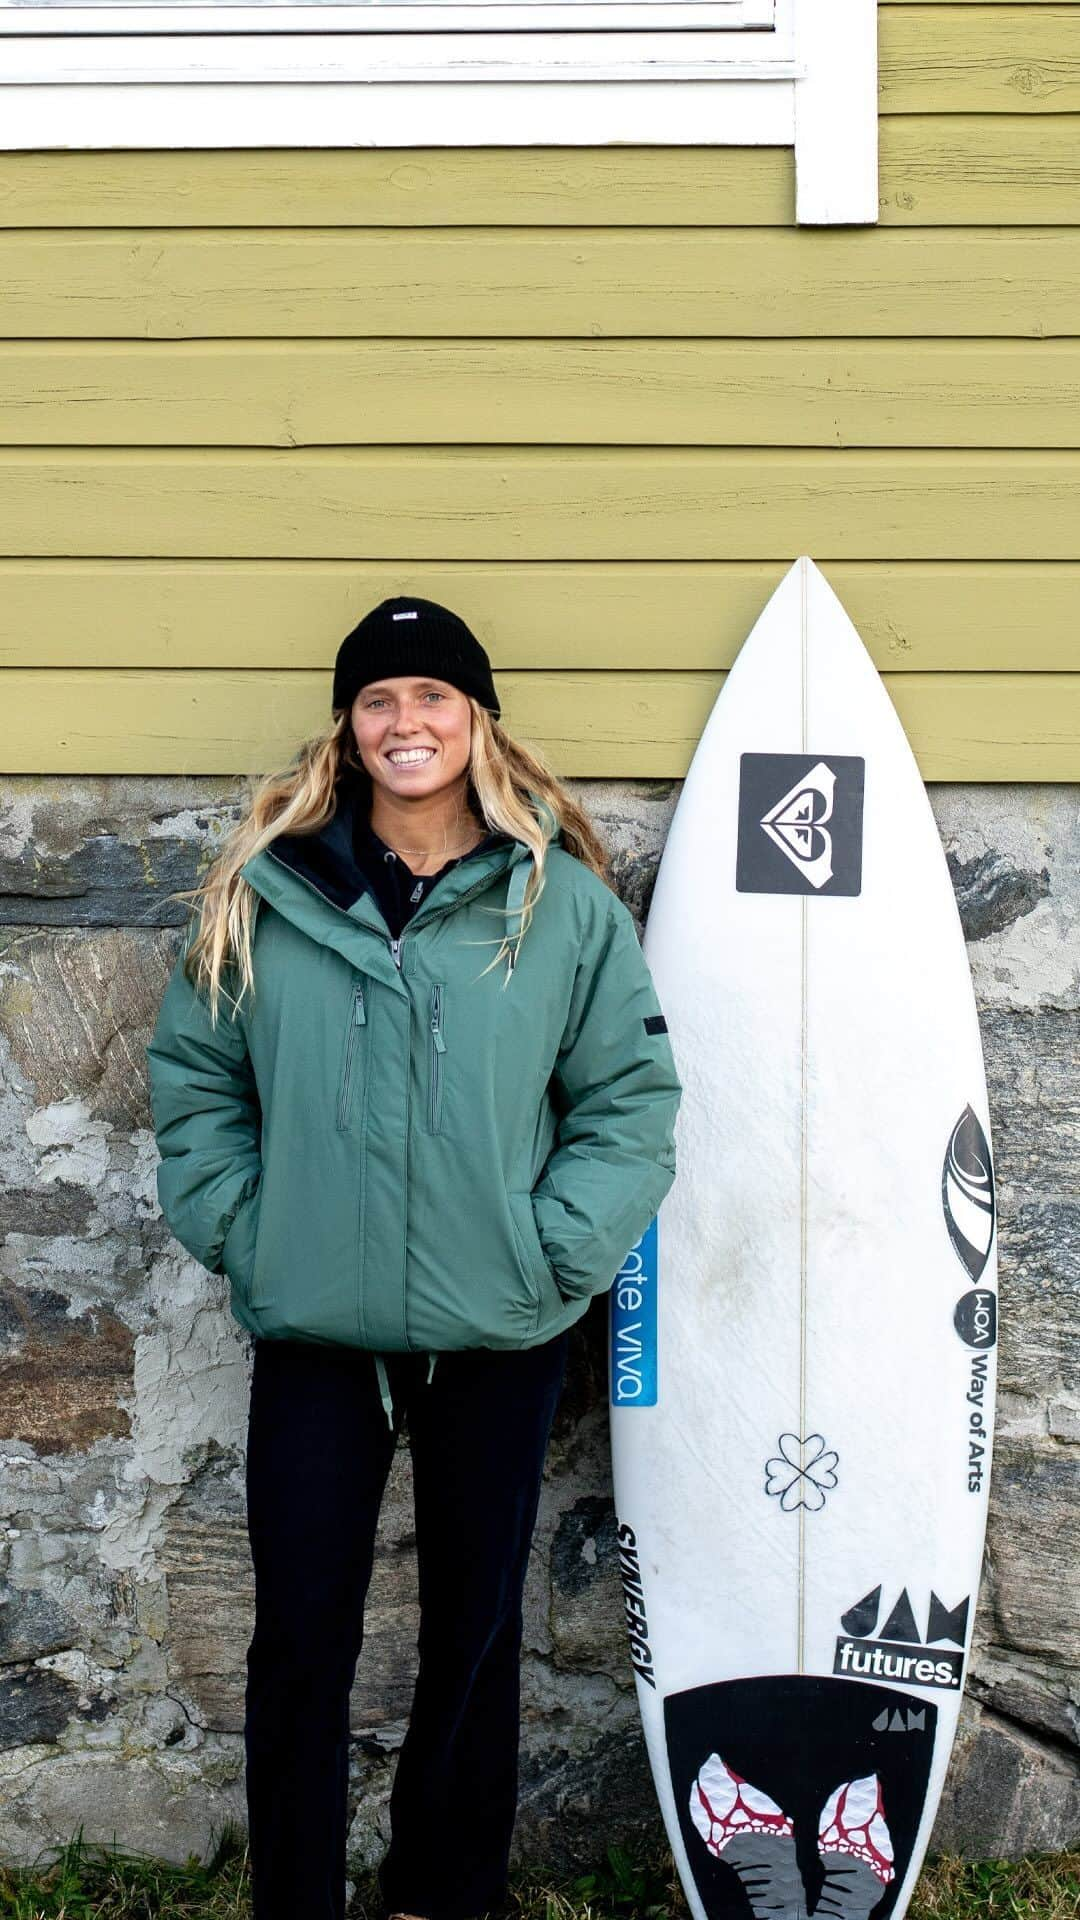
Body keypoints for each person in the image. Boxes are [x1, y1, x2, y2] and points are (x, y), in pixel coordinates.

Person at [145, 595, 683, 1920]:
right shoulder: (267, 894)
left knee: (477, 1641)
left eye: (431, 698)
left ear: (476, 721)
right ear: (349, 727)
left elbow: (630, 1104)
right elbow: (196, 1085)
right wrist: (248, 1227)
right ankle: (297, 1898)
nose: (405, 723)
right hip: (319, 1335)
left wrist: (549, 1253)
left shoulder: (558, 902)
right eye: (378, 700)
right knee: (300, 1645)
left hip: (496, 1329)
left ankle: (443, 1893)